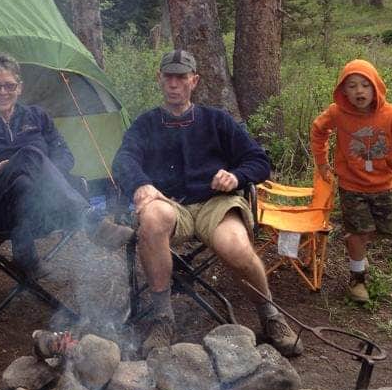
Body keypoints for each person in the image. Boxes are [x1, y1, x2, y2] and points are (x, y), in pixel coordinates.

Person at [112, 50, 303, 358]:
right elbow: (124, 159)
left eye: (181, 77)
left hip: (216, 202)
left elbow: (258, 161)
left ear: (194, 81)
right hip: (169, 203)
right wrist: (140, 184)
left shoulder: (217, 121)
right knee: (152, 217)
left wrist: (236, 176)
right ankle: (163, 318)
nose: (174, 84)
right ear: (159, 79)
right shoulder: (146, 123)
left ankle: (270, 315)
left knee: (235, 247)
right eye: (168, 77)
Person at [0, 53, 134, 276]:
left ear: (19, 87)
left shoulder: (37, 117)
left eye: (9, 86)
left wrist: (43, 176)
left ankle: (25, 256)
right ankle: (91, 221)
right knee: (29, 154)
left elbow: (65, 156)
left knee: (24, 181)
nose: (2, 92)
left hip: (41, 207)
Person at [311, 59, 392, 303]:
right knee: (359, 232)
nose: (359, 91)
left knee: (383, 230)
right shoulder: (337, 113)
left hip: (383, 186)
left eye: (365, 85)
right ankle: (357, 279)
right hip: (351, 186)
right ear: (343, 91)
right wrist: (322, 162)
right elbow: (318, 130)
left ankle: (354, 242)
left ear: (375, 87)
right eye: (352, 86)